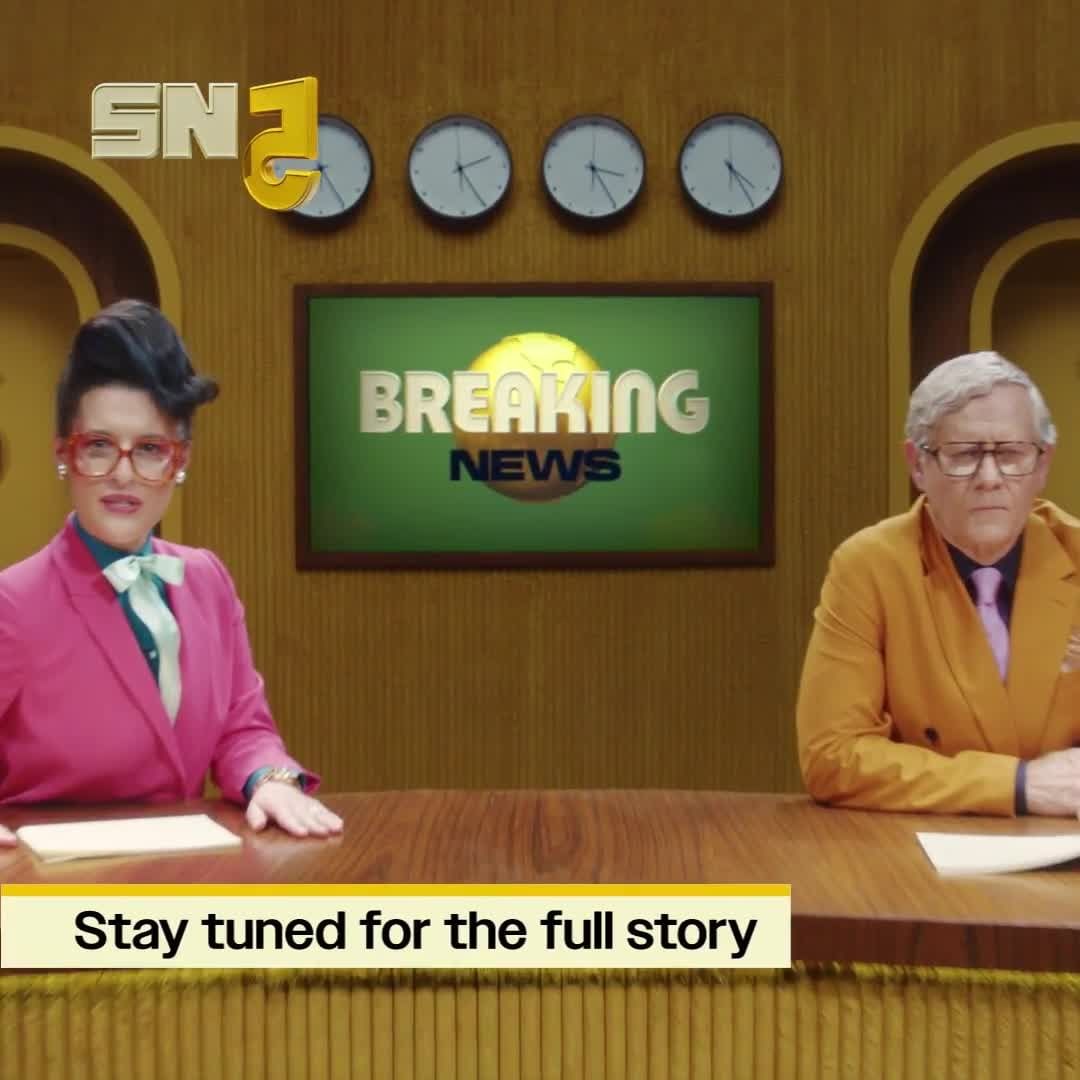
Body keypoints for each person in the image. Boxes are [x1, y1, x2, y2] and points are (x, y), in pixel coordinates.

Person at [0, 299, 344, 844]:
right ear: (64, 454)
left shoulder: (207, 580)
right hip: (44, 878)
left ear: (179, 461)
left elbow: (242, 728)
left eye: (150, 450)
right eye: (98, 446)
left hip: (185, 874)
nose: (123, 474)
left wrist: (268, 779)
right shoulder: (13, 602)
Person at [797, 350, 1080, 817]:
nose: (989, 478)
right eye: (964, 456)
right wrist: (1016, 785)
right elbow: (832, 756)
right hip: (918, 843)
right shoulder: (868, 567)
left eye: (1011, 454)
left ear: (1043, 463)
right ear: (917, 464)